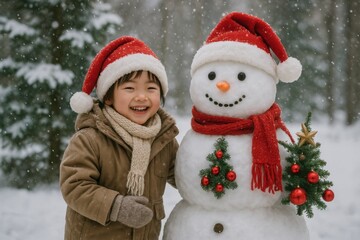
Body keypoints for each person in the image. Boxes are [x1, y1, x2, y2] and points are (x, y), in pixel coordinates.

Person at [60, 36, 179, 240]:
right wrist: (116, 206)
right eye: (129, 88)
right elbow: (75, 186)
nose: (141, 96)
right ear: (108, 97)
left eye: (151, 88)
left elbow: (182, 174)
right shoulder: (90, 139)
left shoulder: (163, 139)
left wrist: (208, 177)